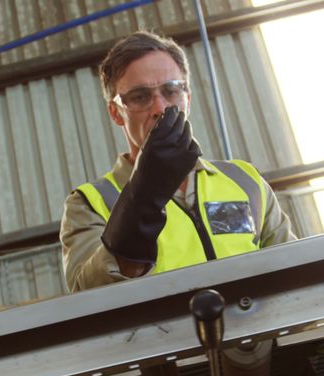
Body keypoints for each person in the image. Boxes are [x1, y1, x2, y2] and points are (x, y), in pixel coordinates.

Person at [59, 31, 296, 293]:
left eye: (171, 91)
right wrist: (143, 196)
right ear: (116, 113)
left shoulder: (244, 180)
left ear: (188, 99)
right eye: (139, 97)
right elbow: (87, 297)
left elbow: (294, 271)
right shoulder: (91, 202)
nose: (160, 107)